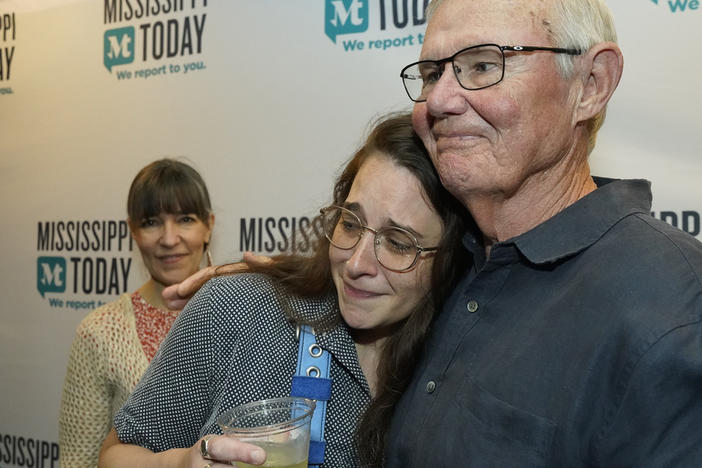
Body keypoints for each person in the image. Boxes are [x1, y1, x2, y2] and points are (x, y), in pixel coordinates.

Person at [384, 0, 702, 466]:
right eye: (432, 73)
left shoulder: (673, 307)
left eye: (483, 65)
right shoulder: (455, 259)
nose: (438, 100)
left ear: (591, 86)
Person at [98, 113, 471, 467]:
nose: (357, 264)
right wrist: (180, 463)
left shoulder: (465, 358)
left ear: (451, 257)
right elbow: (116, 455)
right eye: (351, 223)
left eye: (398, 242)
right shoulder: (236, 309)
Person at [59, 158, 215, 468]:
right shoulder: (100, 331)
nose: (169, 239)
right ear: (132, 230)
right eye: (151, 222)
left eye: (185, 219)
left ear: (208, 226)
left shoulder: (245, 314)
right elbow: (79, 461)